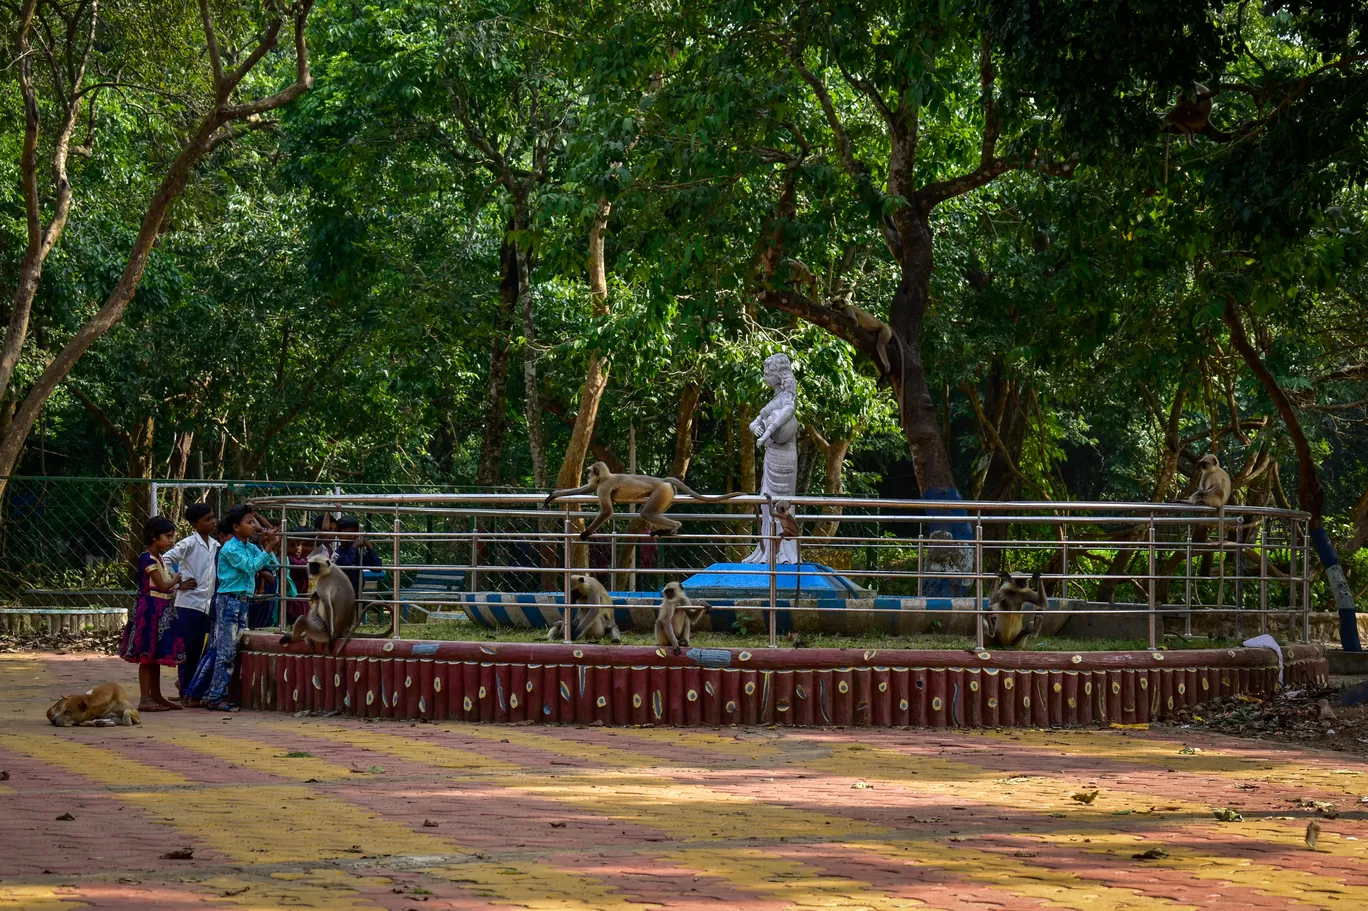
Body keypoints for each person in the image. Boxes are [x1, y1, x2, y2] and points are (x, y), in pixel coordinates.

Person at [186, 503, 278, 712]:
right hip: (229, 602)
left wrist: (267, 543)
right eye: (249, 522)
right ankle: (215, 697)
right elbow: (251, 566)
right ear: (236, 527)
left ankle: (203, 693)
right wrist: (268, 546)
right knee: (225, 653)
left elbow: (269, 562)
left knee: (227, 650)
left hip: (242, 602)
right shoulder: (230, 548)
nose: (253, 526)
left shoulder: (249, 546)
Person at [120, 516, 187, 712]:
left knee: (154, 655)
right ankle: (145, 697)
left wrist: (176, 584)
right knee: (147, 655)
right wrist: (176, 579)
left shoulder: (158, 558)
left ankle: (156, 695)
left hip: (160, 610)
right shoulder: (147, 558)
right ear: (154, 537)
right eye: (168, 536)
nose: (171, 540)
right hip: (151, 611)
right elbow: (163, 585)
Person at [162, 503, 219, 707]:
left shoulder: (214, 544)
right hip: (188, 604)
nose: (213, 522)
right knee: (186, 651)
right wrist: (178, 582)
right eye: (207, 519)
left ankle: (189, 688)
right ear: (195, 524)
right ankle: (187, 690)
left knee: (199, 650)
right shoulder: (188, 544)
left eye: (213, 517)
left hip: (206, 604)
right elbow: (165, 559)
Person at [333, 515, 382, 608]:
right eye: (348, 533)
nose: (352, 536)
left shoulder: (358, 554)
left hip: (356, 594)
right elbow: (347, 563)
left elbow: (377, 567)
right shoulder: (337, 554)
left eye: (355, 533)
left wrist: (369, 547)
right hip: (340, 596)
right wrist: (354, 547)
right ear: (339, 534)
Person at [286, 530, 312, 624]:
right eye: (292, 545)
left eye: (298, 544)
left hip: (302, 600)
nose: (298, 548)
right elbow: (305, 568)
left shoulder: (303, 559)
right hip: (294, 600)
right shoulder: (289, 559)